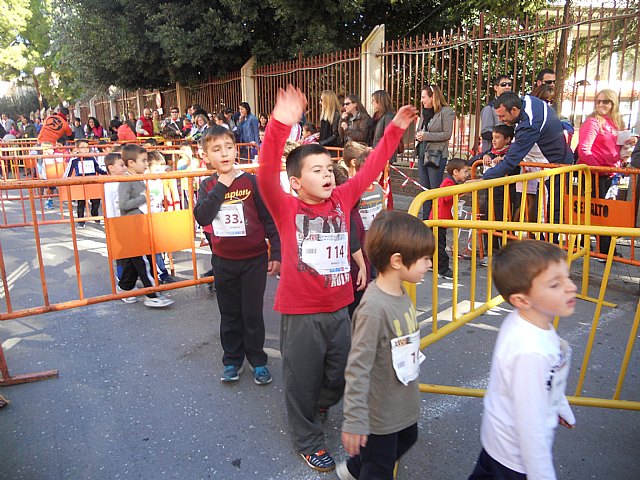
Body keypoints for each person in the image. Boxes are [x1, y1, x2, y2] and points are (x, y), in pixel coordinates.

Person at [257, 85, 416, 472]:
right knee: (301, 379)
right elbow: (265, 170)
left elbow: (373, 166)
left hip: (340, 309)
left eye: (328, 168)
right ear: (295, 182)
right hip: (300, 312)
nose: (327, 174)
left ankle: (322, 402)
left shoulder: (343, 199)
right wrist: (280, 123)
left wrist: (392, 129)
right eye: (316, 170)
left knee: (340, 373)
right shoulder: (285, 206)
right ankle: (307, 438)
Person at [467, 240, 577, 480]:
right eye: (555, 284)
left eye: (567, 277)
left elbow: (548, 380)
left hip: (499, 445)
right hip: (514, 461)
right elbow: (530, 427)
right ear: (522, 300)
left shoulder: (528, 322)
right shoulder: (532, 351)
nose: (571, 287)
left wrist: (560, 406)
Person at [338, 210, 434, 480]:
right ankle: (362, 469)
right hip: (380, 411)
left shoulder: (400, 291)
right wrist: (355, 420)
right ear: (396, 261)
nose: (429, 264)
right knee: (379, 469)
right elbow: (357, 368)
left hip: (401, 399)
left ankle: (355, 468)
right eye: (424, 258)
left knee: (408, 437)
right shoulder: (373, 310)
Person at [193, 126, 281, 384]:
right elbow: (202, 216)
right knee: (230, 314)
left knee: (252, 314)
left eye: (229, 147)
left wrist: (276, 251)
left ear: (236, 149)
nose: (224, 154)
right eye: (216, 150)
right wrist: (222, 184)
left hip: (254, 260)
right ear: (206, 155)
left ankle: (257, 360)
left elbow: (268, 220)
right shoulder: (207, 185)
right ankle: (232, 360)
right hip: (223, 261)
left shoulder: (252, 182)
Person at [484, 91, 574, 230]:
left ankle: (549, 246)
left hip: (554, 166)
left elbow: (511, 161)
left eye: (502, 116)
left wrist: (484, 178)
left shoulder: (529, 125)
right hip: (544, 163)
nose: (501, 120)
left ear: (514, 110)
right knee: (539, 207)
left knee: (550, 211)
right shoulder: (526, 101)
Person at [577, 89, 637, 256]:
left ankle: (602, 249)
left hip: (609, 175)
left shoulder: (615, 123)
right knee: (597, 213)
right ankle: (601, 250)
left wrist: (628, 144)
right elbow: (584, 149)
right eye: (598, 101)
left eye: (606, 101)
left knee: (603, 213)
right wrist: (599, 169)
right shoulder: (593, 122)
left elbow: (617, 150)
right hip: (594, 174)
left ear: (613, 104)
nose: (601, 104)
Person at [116, 144, 175, 308]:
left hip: (140, 224)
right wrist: (143, 198)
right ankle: (152, 294)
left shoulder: (138, 178)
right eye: (143, 161)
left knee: (136, 260)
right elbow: (123, 204)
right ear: (131, 163)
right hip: (132, 226)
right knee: (144, 260)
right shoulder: (126, 180)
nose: (146, 164)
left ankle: (125, 286)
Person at [415, 84, 456, 220]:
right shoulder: (424, 112)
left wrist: (426, 135)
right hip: (422, 154)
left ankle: (436, 220)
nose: (422, 100)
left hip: (436, 155)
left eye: (424, 97)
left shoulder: (446, 111)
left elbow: (446, 134)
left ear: (433, 97)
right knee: (424, 190)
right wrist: (418, 135)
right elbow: (419, 129)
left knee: (434, 190)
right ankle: (426, 220)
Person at [428, 158, 471, 280]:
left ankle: (433, 263)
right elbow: (447, 197)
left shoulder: (450, 182)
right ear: (456, 172)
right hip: (439, 219)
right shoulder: (448, 183)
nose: (467, 174)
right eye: (465, 171)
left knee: (436, 244)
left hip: (439, 218)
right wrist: (462, 191)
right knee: (440, 245)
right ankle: (443, 269)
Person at [67, 139, 107, 228]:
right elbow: (68, 172)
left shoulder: (92, 158)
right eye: (82, 147)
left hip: (92, 182)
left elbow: (97, 168)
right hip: (81, 183)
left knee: (96, 201)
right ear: (77, 149)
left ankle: (95, 214)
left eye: (87, 147)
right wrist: (66, 181)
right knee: (81, 203)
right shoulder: (74, 160)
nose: (85, 149)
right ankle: (81, 221)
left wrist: (106, 173)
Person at [480, 75, 512, 153]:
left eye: (509, 84)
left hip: (510, 151)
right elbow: (485, 133)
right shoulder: (489, 108)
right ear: (496, 87)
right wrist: (504, 136)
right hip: (491, 153)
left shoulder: (514, 106)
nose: (507, 87)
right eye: (503, 85)